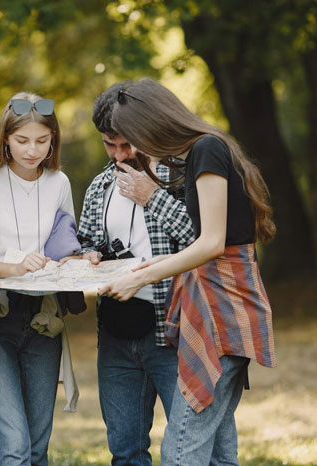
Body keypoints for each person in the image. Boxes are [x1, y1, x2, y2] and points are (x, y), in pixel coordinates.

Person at [99, 78, 277, 466]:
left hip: (223, 305)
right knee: (216, 445)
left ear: (152, 124)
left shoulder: (207, 149)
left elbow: (210, 243)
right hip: (208, 301)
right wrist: (142, 269)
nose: (132, 151)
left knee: (182, 447)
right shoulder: (197, 155)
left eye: (133, 139)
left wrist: (141, 277)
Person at [75, 82, 195, 465]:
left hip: (173, 331)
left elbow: (204, 240)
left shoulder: (182, 176)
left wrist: (152, 196)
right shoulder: (99, 186)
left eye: (127, 144)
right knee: (125, 451)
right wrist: (88, 256)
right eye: (110, 145)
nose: (119, 154)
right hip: (115, 332)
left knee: (188, 448)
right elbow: (85, 242)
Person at [0, 92, 77, 466]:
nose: (32, 150)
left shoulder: (59, 183)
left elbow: (65, 243)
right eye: (22, 140)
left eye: (42, 141)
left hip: (45, 319)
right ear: (5, 138)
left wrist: (80, 257)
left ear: (53, 140)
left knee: (37, 448)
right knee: (14, 447)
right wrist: (14, 266)